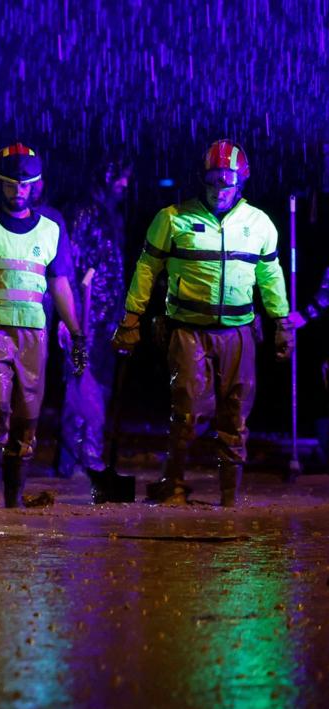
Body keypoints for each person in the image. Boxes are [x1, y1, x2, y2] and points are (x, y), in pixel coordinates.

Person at [113, 140, 292, 506]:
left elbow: (270, 275)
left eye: (226, 182)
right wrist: (132, 316)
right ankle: (173, 482)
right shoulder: (172, 218)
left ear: (241, 182)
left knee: (237, 413)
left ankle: (230, 495)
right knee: (189, 410)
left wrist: (281, 322)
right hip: (187, 331)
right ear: (202, 179)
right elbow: (147, 268)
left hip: (239, 332)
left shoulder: (259, 224)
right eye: (212, 181)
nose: (218, 190)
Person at [0, 142, 86, 509]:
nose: (18, 191)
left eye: (25, 185)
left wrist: (76, 332)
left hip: (32, 333)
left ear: (37, 185)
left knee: (28, 410)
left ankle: (15, 492)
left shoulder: (52, 226)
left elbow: (59, 283)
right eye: (10, 184)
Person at [58, 156, 133, 484]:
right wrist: (70, 318)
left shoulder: (110, 215)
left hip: (105, 320)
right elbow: (71, 266)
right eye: (120, 178)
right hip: (84, 318)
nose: (125, 186)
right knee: (80, 387)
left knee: (97, 388)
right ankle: (75, 459)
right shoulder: (85, 213)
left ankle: (91, 453)